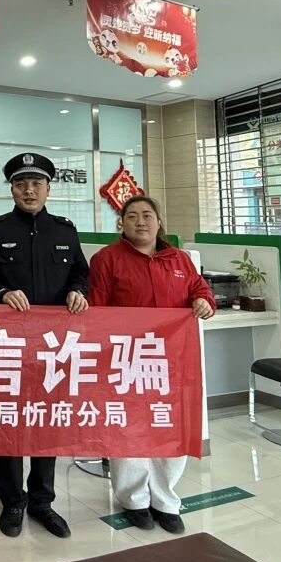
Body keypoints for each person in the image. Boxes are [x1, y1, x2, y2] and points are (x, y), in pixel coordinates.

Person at [0, 152, 89, 540]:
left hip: (53, 346)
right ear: (12, 190)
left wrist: (78, 291)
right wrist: (2, 291)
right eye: (21, 184)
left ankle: (42, 501)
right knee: (10, 422)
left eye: (36, 184)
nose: (29, 190)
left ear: (48, 189)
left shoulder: (65, 230)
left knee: (46, 421)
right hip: (8, 346)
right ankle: (12, 501)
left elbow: (80, 272)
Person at [87, 195, 215, 534]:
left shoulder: (180, 259)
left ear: (159, 222)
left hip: (174, 361)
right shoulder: (106, 259)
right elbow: (96, 310)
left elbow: (200, 290)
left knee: (169, 426)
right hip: (126, 359)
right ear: (122, 223)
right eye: (132, 216)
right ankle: (133, 499)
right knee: (129, 429)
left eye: (147, 215)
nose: (140, 221)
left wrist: (204, 301)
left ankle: (165, 499)